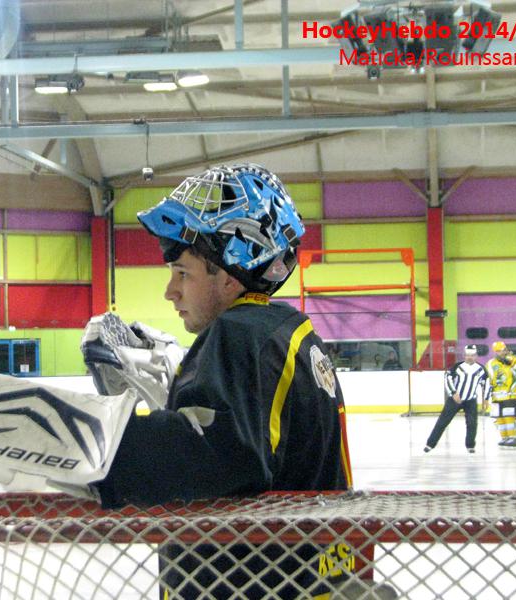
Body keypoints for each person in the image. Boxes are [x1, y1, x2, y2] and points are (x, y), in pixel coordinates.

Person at [89, 164, 379, 599]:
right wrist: (182, 389)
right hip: (311, 579)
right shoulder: (289, 334)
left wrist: (97, 439)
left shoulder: (240, 335)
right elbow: (255, 446)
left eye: (182, 273)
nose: (170, 291)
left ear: (228, 276)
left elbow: (215, 453)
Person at [424, 345, 488, 454]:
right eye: (468, 355)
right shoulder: (457, 366)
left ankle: (470, 445)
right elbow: (447, 378)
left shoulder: (481, 369)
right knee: (442, 422)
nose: (470, 357)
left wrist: (486, 398)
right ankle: (430, 444)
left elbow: (486, 384)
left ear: (476, 356)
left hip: (471, 400)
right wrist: (453, 393)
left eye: (472, 355)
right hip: (454, 400)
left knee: (472, 423)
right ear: (464, 355)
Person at [484, 341, 516, 447]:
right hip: (496, 396)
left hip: (510, 394)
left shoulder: (514, 360)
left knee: (509, 417)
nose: (502, 353)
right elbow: (488, 379)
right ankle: (504, 438)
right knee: (500, 418)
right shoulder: (490, 364)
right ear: (495, 352)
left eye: (503, 350)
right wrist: (486, 395)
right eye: (499, 351)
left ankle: (512, 437)